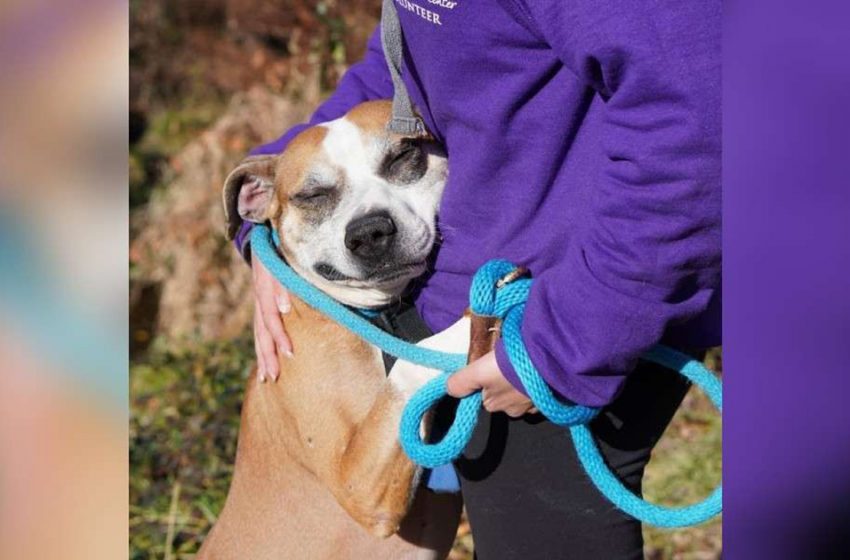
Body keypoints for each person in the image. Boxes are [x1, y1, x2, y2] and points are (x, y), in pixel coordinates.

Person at [228, 1, 720, 557]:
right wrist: (268, 205)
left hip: (566, 309)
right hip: (487, 313)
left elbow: (698, 117)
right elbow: (415, 62)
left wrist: (566, 340)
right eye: (317, 198)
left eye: (401, 164)